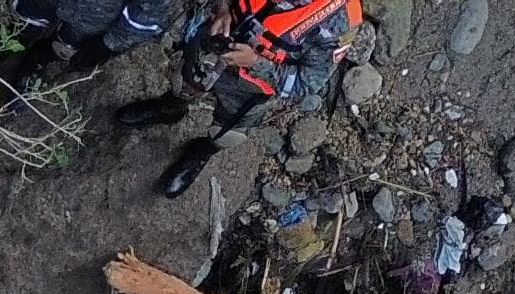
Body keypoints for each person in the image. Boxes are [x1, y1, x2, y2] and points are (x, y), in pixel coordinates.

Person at [116, 0, 361, 196]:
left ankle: (202, 151)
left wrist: (257, 64)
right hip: (212, 45)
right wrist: (222, 8)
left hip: (250, 88)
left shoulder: (340, 20)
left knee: (228, 135)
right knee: (184, 81)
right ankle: (171, 107)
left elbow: (306, 84)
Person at [7, 0, 169, 86]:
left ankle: (40, 57)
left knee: (69, 44)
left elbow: (148, 14)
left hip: (96, 15)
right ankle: (10, 39)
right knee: (27, 15)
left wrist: (109, 44)